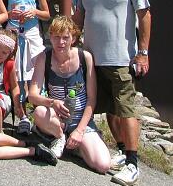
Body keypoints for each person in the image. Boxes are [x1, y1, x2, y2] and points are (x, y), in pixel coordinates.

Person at [72, 0, 152, 186]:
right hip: (93, 59)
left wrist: (143, 53)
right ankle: (121, 150)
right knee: (109, 109)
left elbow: (144, 15)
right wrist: (70, 46)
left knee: (126, 109)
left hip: (121, 60)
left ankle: (133, 163)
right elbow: (78, 17)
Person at [28, 16, 111, 173]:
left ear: (73, 38)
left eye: (65, 38)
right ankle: (60, 136)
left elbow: (91, 100)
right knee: (39, 112)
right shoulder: (44, 57)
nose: (61, 42)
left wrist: (79, 131)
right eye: (56, 37)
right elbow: (32, 95)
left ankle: (75, 145)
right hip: (57, 118)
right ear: (50, 37)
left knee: (103, 165)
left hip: (80, 120)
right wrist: (52, 102)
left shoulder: (85, 57)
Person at [0, 0, 50, 133]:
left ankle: (38, 115)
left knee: (35, 74)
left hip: (31, 35)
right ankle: (22, 115)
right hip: (13, 34)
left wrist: (34, 12)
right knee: (16, 74)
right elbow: (1, 12)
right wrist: (9, 14)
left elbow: (46, 13)